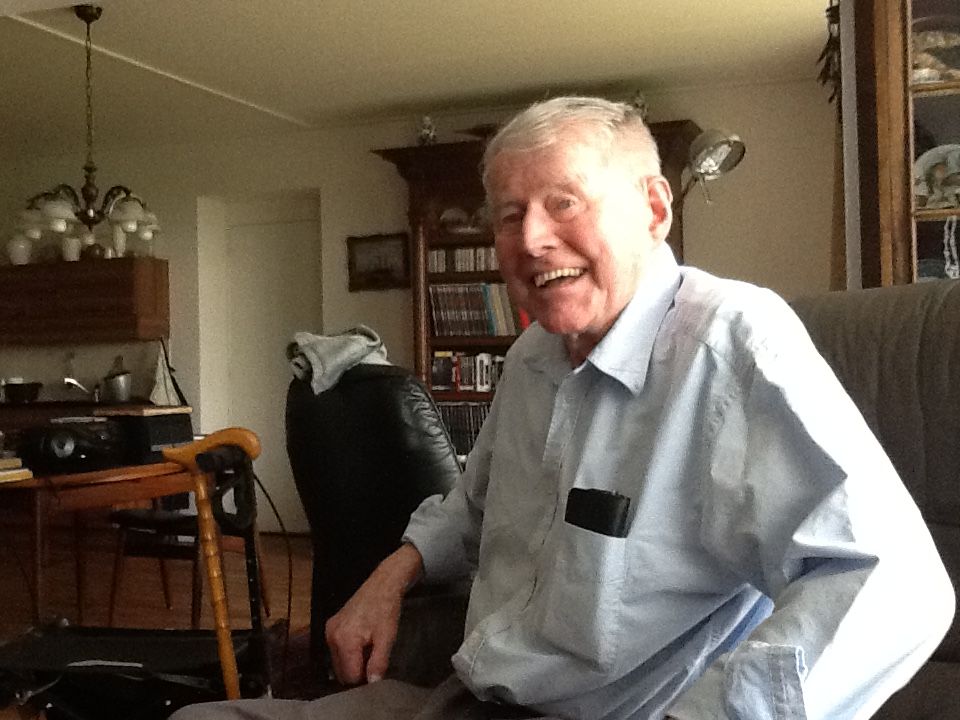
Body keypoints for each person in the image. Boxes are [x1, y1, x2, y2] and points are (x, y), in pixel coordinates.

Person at [171, 96, 955, 720]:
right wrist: (391, 574)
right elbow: (472, 506)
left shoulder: (727, 344)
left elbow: (895, 586)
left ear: (654, 208)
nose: (532, 239)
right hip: (471, 696)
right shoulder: (533, 357)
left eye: (564, 202)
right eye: (510, 214)